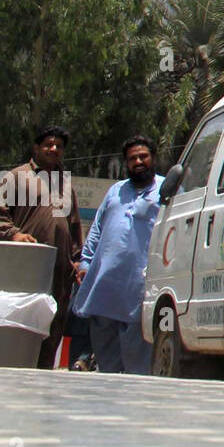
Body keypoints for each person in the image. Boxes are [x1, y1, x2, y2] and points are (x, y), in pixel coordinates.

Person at [0, 125, 83, 369]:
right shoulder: (17, 177)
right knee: (24, 321)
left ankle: (42, 378)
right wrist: (15, 234)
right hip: (26, 266)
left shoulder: (66, 184)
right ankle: (14, 374)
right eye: (49, 144)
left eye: (59, 146)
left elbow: (73, 227)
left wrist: (77, 260)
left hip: (60, 271)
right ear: (36, 147)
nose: (54, 149)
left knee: (53, 325)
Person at [71, 135, 165, 375]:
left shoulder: (167, 190)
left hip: (140, 287)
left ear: (153, 158)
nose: (138, 161)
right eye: (133, 158)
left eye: (143, 156)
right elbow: (97, 229)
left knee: (138, 360)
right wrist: (85, 262)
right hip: (106, 286)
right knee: (107, 361)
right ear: (127, 163)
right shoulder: (116, 190)